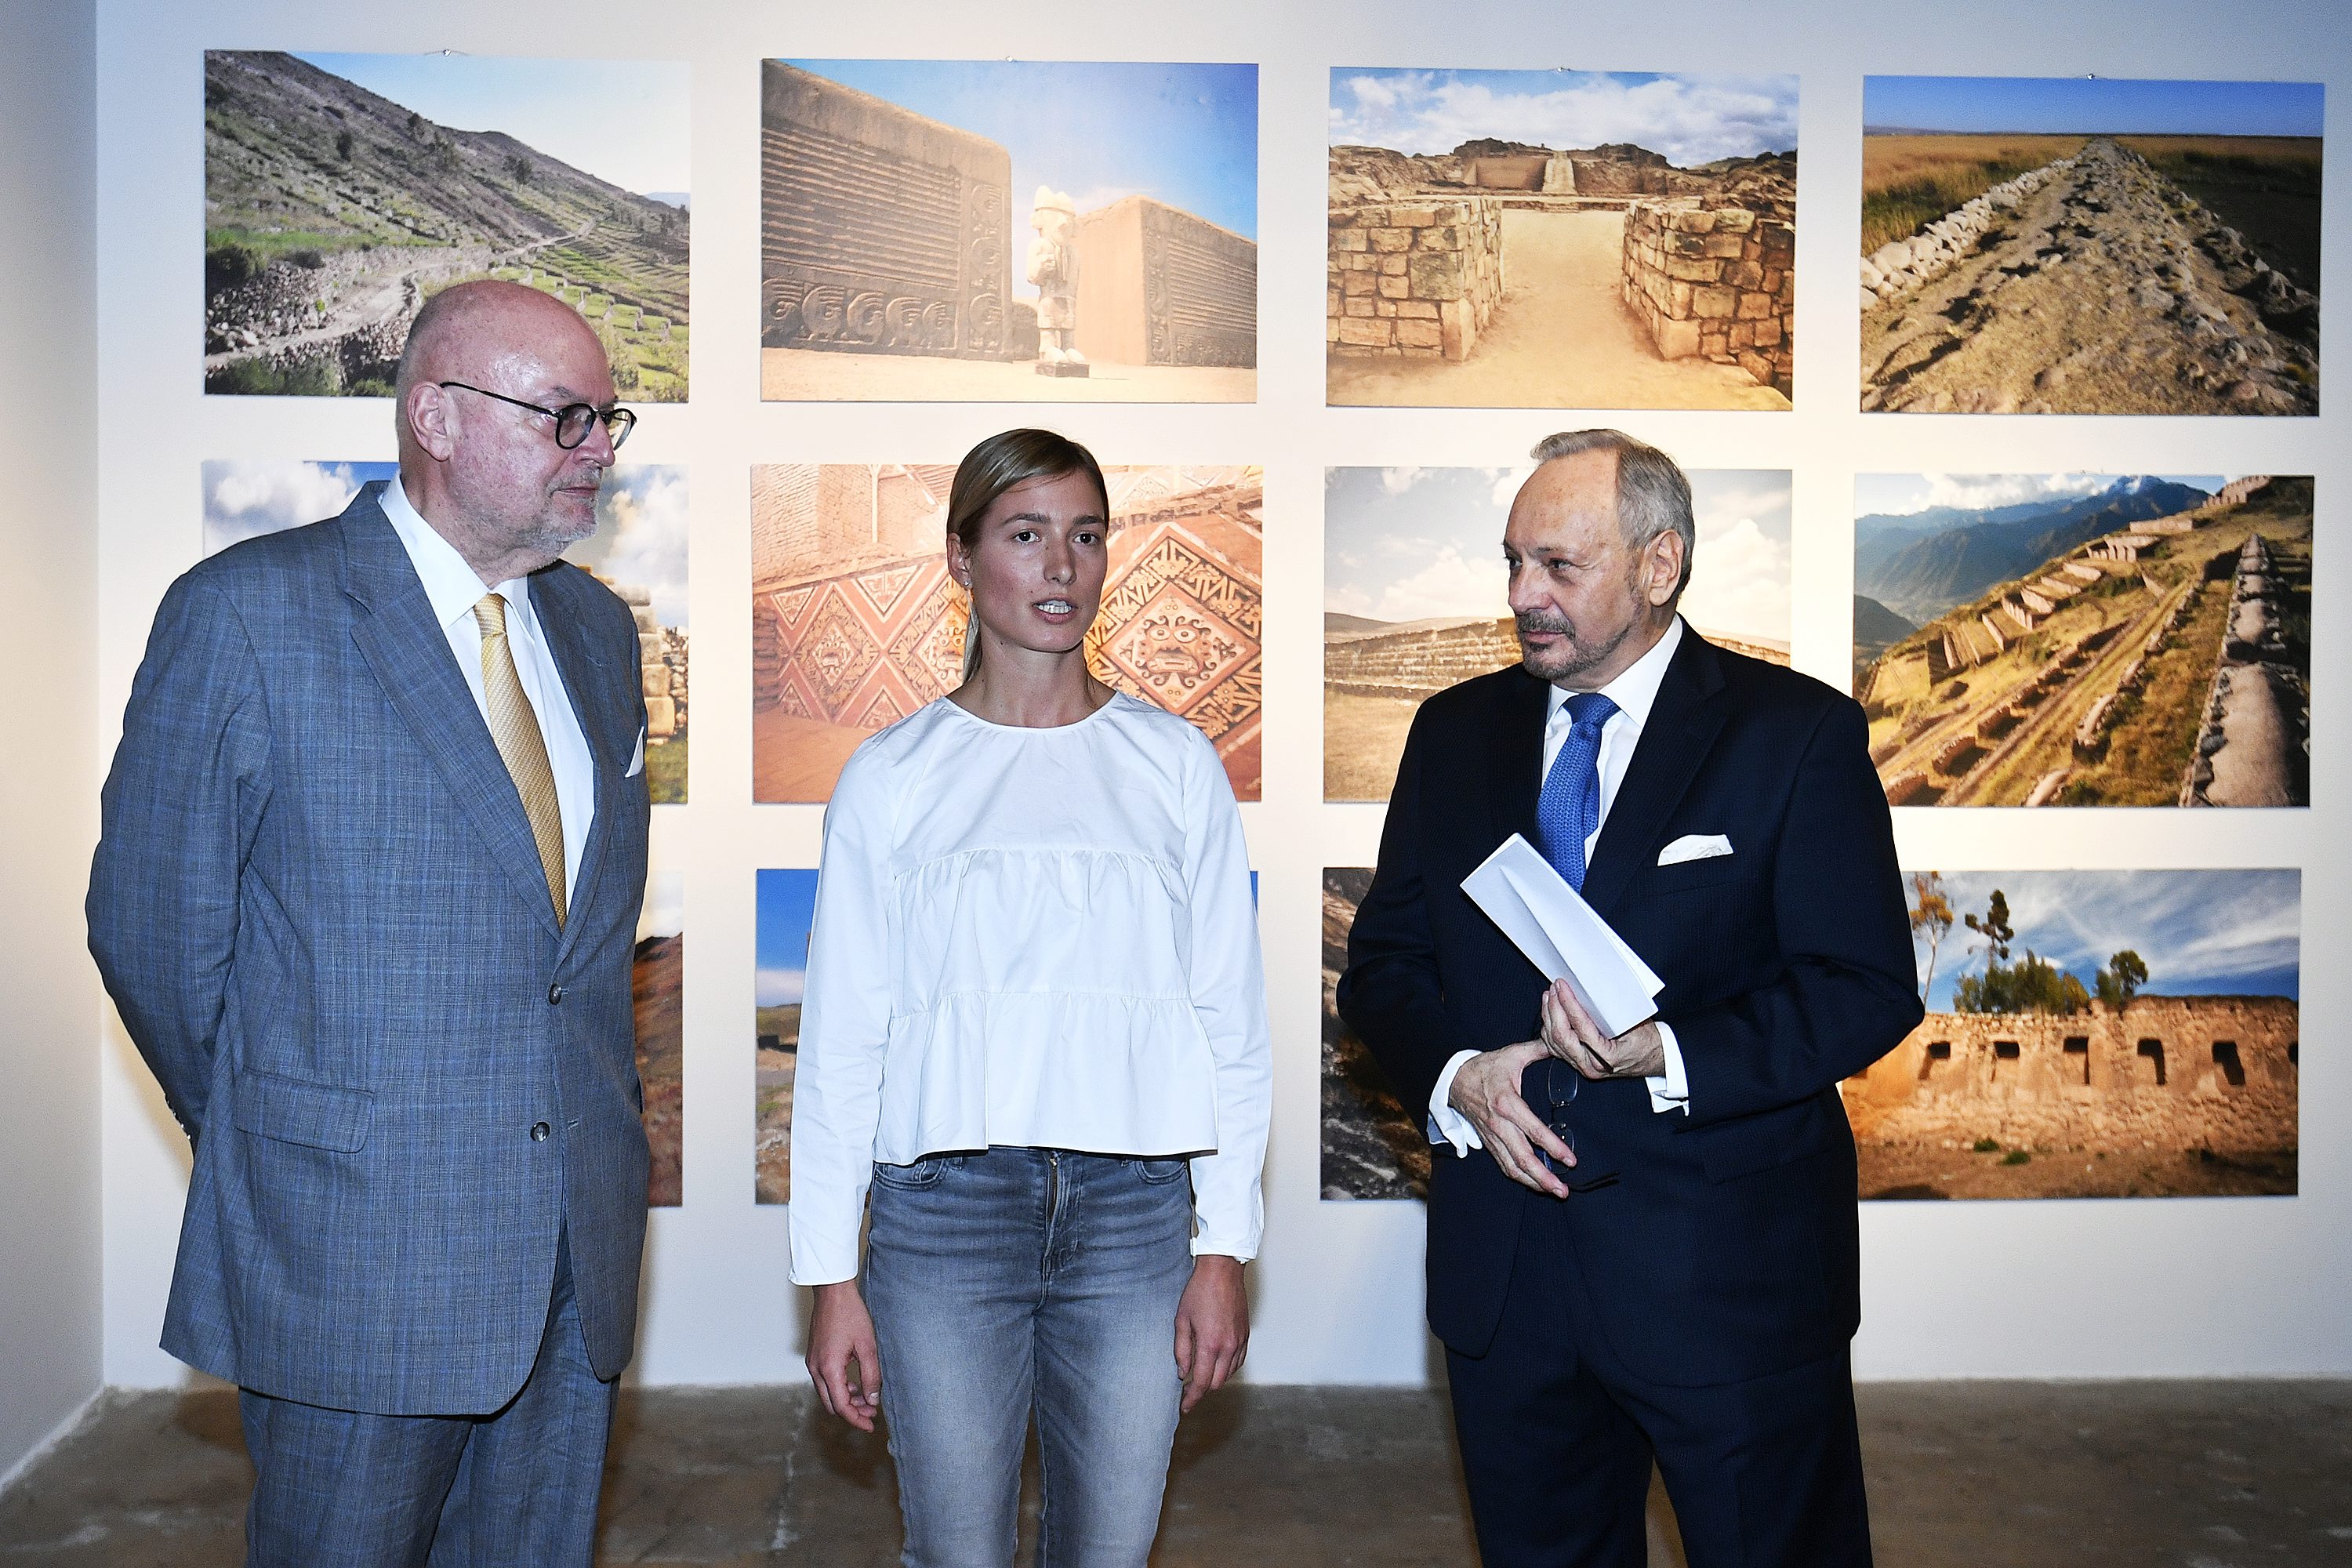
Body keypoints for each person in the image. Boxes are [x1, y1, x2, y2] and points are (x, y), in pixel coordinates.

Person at [88, 280, 652, 1568]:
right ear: (435, 416)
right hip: (353, 1248)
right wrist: (282, 1130)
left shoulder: (596, 631)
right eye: (563, 416)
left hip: (577, 1253)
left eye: (608, 419)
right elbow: (154, 935)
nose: (598, 450)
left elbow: (573, 957)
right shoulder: (250, 614)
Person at [1338, 430, 1922, 1568]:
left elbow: (1864, 990)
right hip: (1510, 1286)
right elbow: (1386, 965)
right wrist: (1459, 1079)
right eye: (1514, 562)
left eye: (1559, 565)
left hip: (1731, 1285)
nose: (1523, 596)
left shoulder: (1795, 735)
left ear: (1660, 565)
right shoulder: (1452, 735)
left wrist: (1670, 1051)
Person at [789, 428, 1270, 1568]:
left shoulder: (1176, 765)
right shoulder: (891, 777)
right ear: (961, 560)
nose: (1061, 565)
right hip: (943, 1220)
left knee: (1110, 1553)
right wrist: (830, 1275)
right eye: (1025, 534)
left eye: (1085, 536)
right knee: (957, 1554)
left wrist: (1224, 1247)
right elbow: (843, 1039)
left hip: (1135, 1222)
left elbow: (1232, 1029)